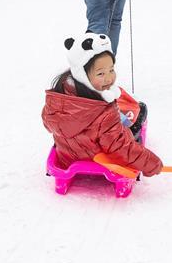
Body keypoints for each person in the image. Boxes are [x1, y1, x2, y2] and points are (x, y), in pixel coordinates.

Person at [42, 32, 161, 175]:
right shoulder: (105, 114)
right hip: (103, 160)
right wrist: (150, 163)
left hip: (68, 157)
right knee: (139, 112)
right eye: (100, 73)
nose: (109, 78)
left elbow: (48, 124)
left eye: (111, 70)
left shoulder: (56, 100)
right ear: (82, 75)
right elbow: (120, 147)